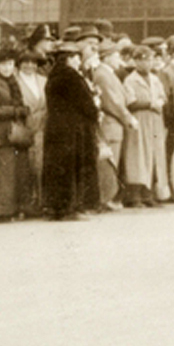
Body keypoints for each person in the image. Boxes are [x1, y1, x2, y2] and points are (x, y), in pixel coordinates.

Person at [41, 41, 102, 220]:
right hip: (72, 130)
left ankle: (55, 208)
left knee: (57, 168)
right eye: (76, 58)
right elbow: (86, 104)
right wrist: (95, 109)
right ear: (69, 59)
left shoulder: (53, 76)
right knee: (71, 167)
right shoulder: (71, 76)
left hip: (55, 128)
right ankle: (70, 208)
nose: (78, 61)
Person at [0, 47, 30, 221]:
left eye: (10, 64)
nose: (7, 68)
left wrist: (22, 110)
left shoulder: (13, 81)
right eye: (3, 64)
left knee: (10, 173)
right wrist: (15, 111)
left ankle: (8, 209)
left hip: (12, 133)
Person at [122, 45, 170, 207]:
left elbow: (163, 97)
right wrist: (150, 103)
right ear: (136, 62)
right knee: (138, 156)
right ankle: (135, 195)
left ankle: (149, 194)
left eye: (149, 59)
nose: (147, 63)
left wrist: (160, 102)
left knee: (154, 155)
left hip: (155, 120)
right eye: (143, 60)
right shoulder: (130, 80)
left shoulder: (155, 79)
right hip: (139, 120)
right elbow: (130, 102)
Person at [92, 38, 135, 210]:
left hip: (115, 124)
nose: (119, 60)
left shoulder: (109, 74)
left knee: (112, 162)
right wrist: (128, 118)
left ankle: (107, 198)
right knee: (108, 163)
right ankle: (105, 199)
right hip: (110, 124)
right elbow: (112, 101)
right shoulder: (103, 75)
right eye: (116, 56)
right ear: (108, 57)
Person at [15, 50, 48, 216]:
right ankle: (27, 203)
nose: (29, 66)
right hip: (24, 127)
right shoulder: (15, 81)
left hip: (42, 126)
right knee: (26, 165)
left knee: (41, 164)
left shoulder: (43, 80)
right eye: (25, 62)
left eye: (33, 62)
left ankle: (42, 201)